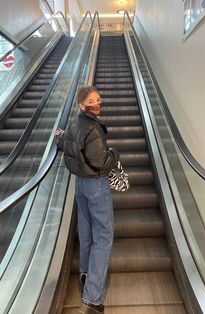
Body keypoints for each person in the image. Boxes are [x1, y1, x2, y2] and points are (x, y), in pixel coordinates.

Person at [56, 86, 119, 314]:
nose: (97, 103)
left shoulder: (75, 124)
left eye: (99, 99)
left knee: (86, 231)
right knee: (103, 235)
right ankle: (92, 298)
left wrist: (59, 136)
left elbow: (63, 142)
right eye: (92, 101)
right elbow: (102, 161)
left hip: (80, 184)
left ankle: (85, 274)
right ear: (82, 105)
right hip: (95, 185)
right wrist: (114, 153)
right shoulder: (92, 127)